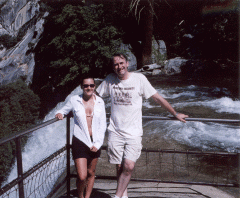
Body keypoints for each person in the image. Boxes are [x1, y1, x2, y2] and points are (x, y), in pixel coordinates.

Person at [96, 53, 188, 198]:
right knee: (119, 166)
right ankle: (123, 195)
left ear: (127, 63)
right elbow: (95, 97)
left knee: (129, 166)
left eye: (121, 63)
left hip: (134, 132)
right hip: (115, 130)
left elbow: (157, 98)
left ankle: (117, 196)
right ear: (113, 67)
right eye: (116, 64)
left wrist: (175, 114)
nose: (119, 66)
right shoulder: (110, 80)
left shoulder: (139, 79)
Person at [55, 76, 106, 198]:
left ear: (94, 86)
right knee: (82, 175)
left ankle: (87, 197)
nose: (89, 88)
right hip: (80, 140)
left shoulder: (100, 102)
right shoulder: (74, 100)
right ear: (81, 87)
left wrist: (98, 144)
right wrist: (60, 113)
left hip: (95, 141)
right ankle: (80, 196)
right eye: (86, 85)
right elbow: (62, 110)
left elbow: (103, 125)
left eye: (91, 85)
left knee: (91, 172)